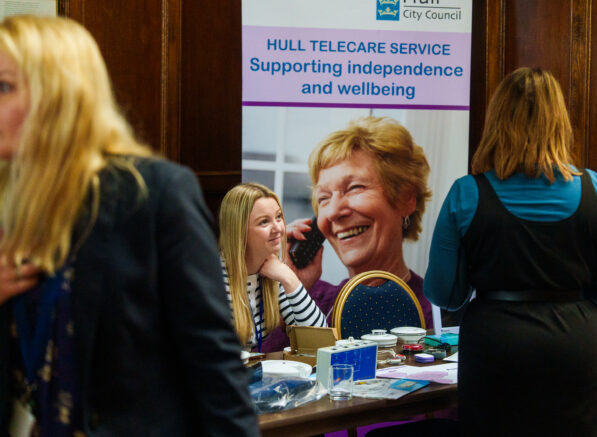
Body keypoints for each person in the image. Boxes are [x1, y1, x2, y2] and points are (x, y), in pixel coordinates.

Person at [0, 16, 258, 436]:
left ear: (58, 95)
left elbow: (215, 365)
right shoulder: (12, 210)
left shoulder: (155, 195)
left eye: (3, 87)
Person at [424, 67, 597, 436]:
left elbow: (444, 293)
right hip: (576, 346)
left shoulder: (467, 193)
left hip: (495, 348)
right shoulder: (596, 189)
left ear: (496, 122)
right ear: (559, 122)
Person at [263, 116, 433, 352]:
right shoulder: (314, 300)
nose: (333, 212)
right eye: (324, 198)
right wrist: (292, 289)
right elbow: (261, 368)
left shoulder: (435, 313)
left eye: (355, 188)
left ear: (406, 198)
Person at [219, 183, 326, 353]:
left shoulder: (273, 274)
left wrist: (289, 278)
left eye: (278, 217)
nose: (278, 228)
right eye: (264, 222)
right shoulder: (213, 279)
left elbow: (320, 342)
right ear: (239, 231)